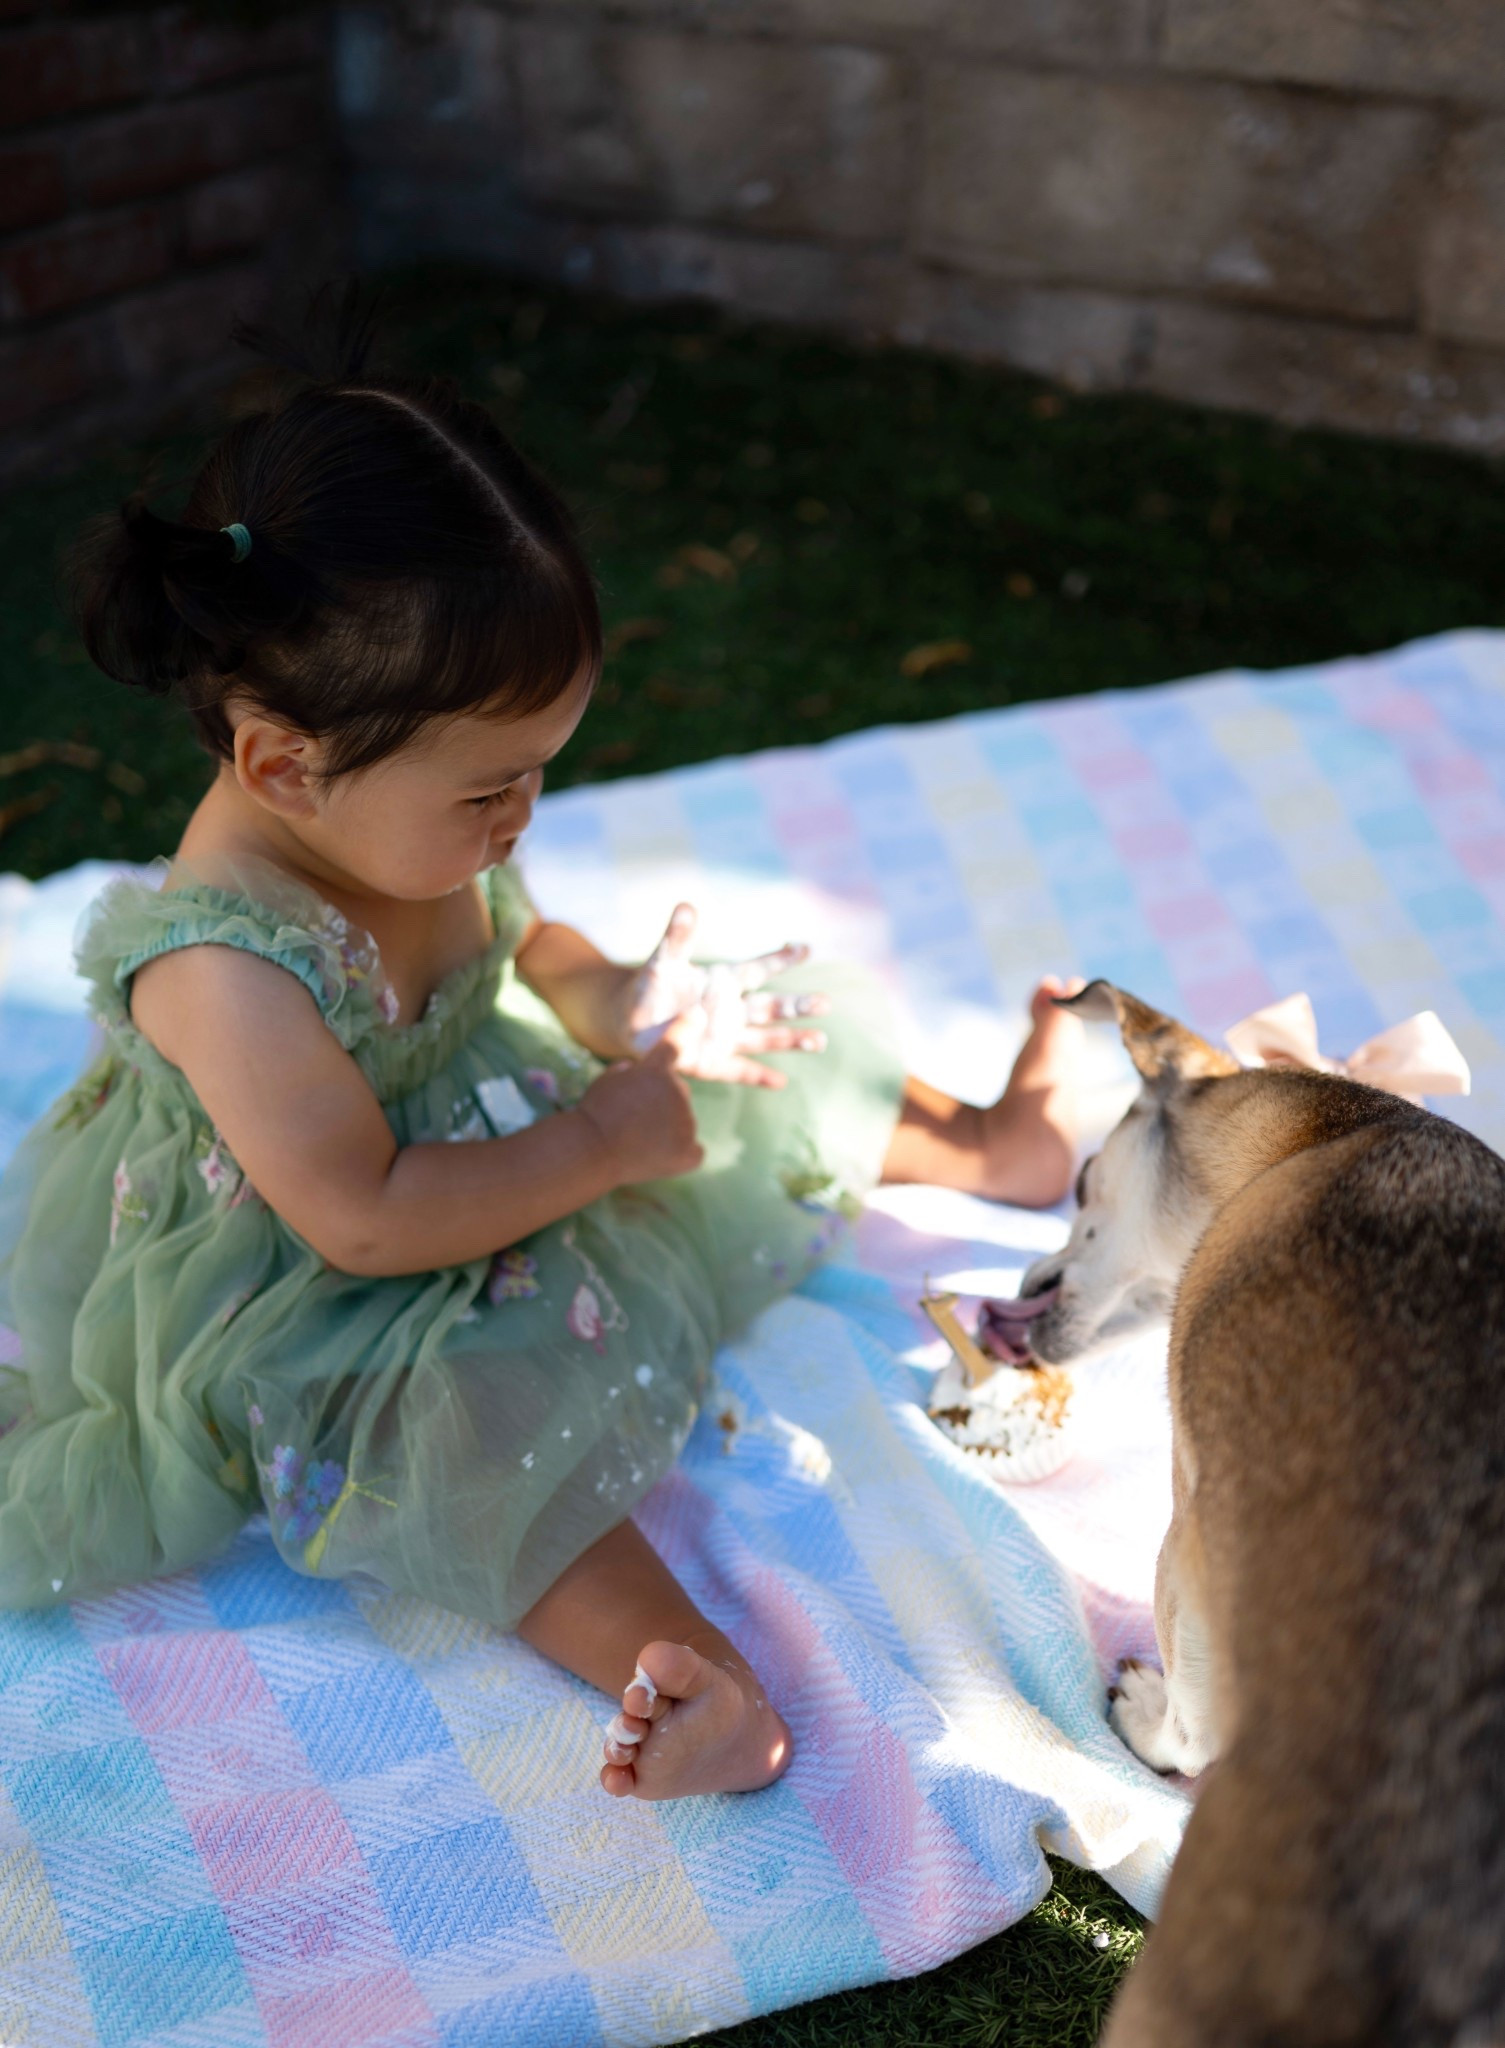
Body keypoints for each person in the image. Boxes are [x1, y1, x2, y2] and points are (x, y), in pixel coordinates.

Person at [0, 296, 1082, 1802]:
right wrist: (597, 1143)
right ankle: (691, 1675)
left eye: (538, 777)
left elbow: (529, 942)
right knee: (463, 1425)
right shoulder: (221, 967)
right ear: (281, 767)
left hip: (488, 1128)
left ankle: (984, 1147)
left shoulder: (411, 824)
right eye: (491, 791)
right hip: (312, 1276)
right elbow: (363, 1214)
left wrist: (628, 1006)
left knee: (762, 1025)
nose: (520, 821)